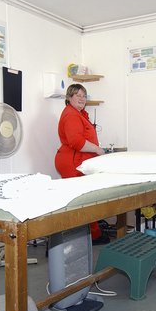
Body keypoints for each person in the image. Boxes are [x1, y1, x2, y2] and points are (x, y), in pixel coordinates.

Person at [55, 83, 109, 244]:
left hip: (78, 160)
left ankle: (92, 235)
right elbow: (76, 141)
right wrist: (98, 150)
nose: (82, 98)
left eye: (84, 96)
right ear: (69, 97)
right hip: (73, 162)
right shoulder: (71, 115)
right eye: (77, 95)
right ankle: (90, 236)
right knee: (82, 200)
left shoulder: (79, 114)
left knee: (84, 199)